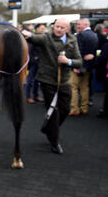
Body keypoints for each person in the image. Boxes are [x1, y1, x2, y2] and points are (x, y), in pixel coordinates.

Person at [22, 19, 82, 155]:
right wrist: (28, 34)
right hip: (47, 80)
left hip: (64, 81)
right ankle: (54, 142)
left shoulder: (73, 41)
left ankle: (48, 127)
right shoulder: (46, 38)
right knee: (53, 111)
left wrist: (68, 61)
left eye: (62, 27)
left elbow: (79, 61)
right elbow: (36, 38)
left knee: (65, 109)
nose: (58, 29)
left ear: (67, 29)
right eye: (56, 26)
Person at [69, 18, 98, 116]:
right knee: (85, 87)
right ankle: (84, 108)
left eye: (79, 24)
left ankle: (74, 109)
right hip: (89, 66)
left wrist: (77, 66)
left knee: (73, 87)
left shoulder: (81, 35)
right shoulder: (94, 35)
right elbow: (93, 53)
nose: (77, 26)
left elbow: (79, 52)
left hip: (79, 66)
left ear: (85, 25)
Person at [25, 24, 46, 104]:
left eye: (44, 28)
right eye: (42, 28)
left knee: (37, 80)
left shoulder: (43, 38)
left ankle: (35, 95)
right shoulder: (33, 38)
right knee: (30, 80)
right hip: (34, 62)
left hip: (40, 63)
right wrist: (34, 59)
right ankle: (28, 96)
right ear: (36, 29)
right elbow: (29, 50)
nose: (43, 30)